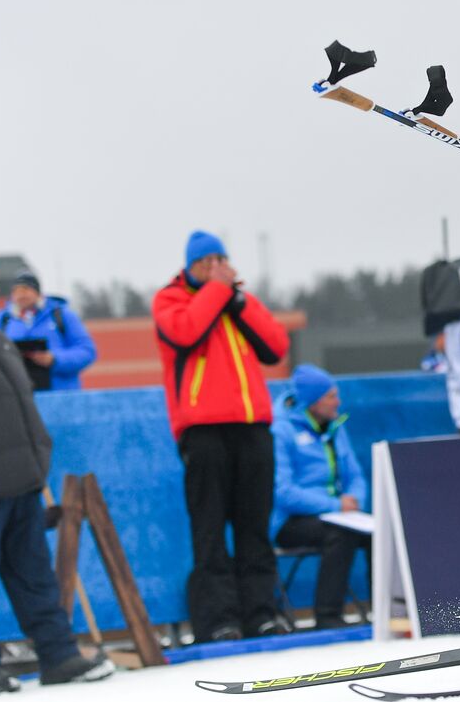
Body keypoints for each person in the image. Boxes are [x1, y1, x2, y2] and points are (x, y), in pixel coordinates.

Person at [0, 243, 115, 693]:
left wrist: (38, 450)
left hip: (21, 482)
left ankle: (58, 655)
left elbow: (22, 405)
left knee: (36, 578)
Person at [152, 230, 290, 642]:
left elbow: (276, 345)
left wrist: (239, 301)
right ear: (190, 267)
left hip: (251, 426)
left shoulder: (236, 302)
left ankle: (262, 613)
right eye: (206, 262)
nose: (215, 268)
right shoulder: (170, 300)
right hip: (203, 431)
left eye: (221, 260)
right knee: (210, 528)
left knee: (254, 526)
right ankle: (218, 620)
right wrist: (215, 290)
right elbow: (186, 332)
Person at [271, 365, 370, 629]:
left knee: (381, 532)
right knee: (341, 533)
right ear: (312, 401)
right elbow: (283, 492)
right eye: (331, 396)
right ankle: (328, 616)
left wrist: (353, 500)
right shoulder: (282, 431)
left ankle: (389, 610)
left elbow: (356, 476)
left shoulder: (336, 429)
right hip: (291, 522)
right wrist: (336, 505)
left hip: (337, 515)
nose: (338, 402)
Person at [0, 270, 98, 391]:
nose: (21, 294)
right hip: (18, 396)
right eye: (16, 291)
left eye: (25, 289)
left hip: (61, 396)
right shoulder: (2, 320)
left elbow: (87, 351)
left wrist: (54, 359)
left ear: (37, 292)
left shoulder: (62, 315)